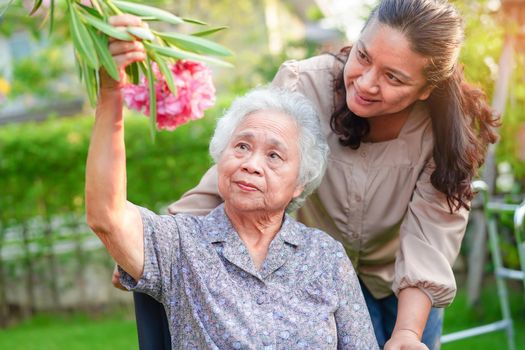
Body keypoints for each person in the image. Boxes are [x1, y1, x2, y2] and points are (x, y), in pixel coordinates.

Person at [160, 1, 500, 349]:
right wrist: (160, 246)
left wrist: (408, 333)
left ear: (426, 89)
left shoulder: (444, 132)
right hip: (315, 281)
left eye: (393, 77)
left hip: (406, 288)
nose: (366, 83)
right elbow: (243, 168)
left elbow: (430, 237)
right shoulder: (302, 85)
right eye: (364, 57)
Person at [86, 50, 379, 350]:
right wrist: (111, 91)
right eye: (241, 146)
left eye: (274, 155)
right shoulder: (180, 246)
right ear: (221, 157)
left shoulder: (326, 257)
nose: (251, 164)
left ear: (299, 184)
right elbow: (106, 217)